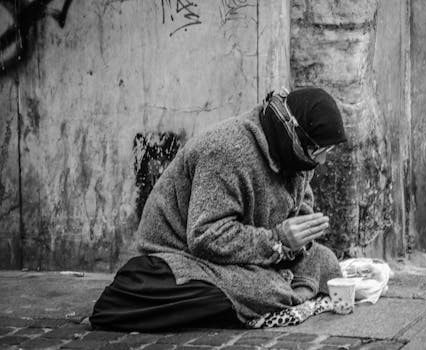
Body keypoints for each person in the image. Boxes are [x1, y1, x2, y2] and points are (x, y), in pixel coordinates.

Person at [89, 87, 348, 332]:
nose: (321, 160)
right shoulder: (226, 151)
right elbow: (206, 236)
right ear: (293, 136)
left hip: (250, 253)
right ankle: (270, 290)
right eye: (319, 151)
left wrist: (298, 240)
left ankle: (275, 287)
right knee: (266, 291)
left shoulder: (298, 154)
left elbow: (301, 204)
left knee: (325, 261)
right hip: (182, 254)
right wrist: (278, 241)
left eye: (326, 151)